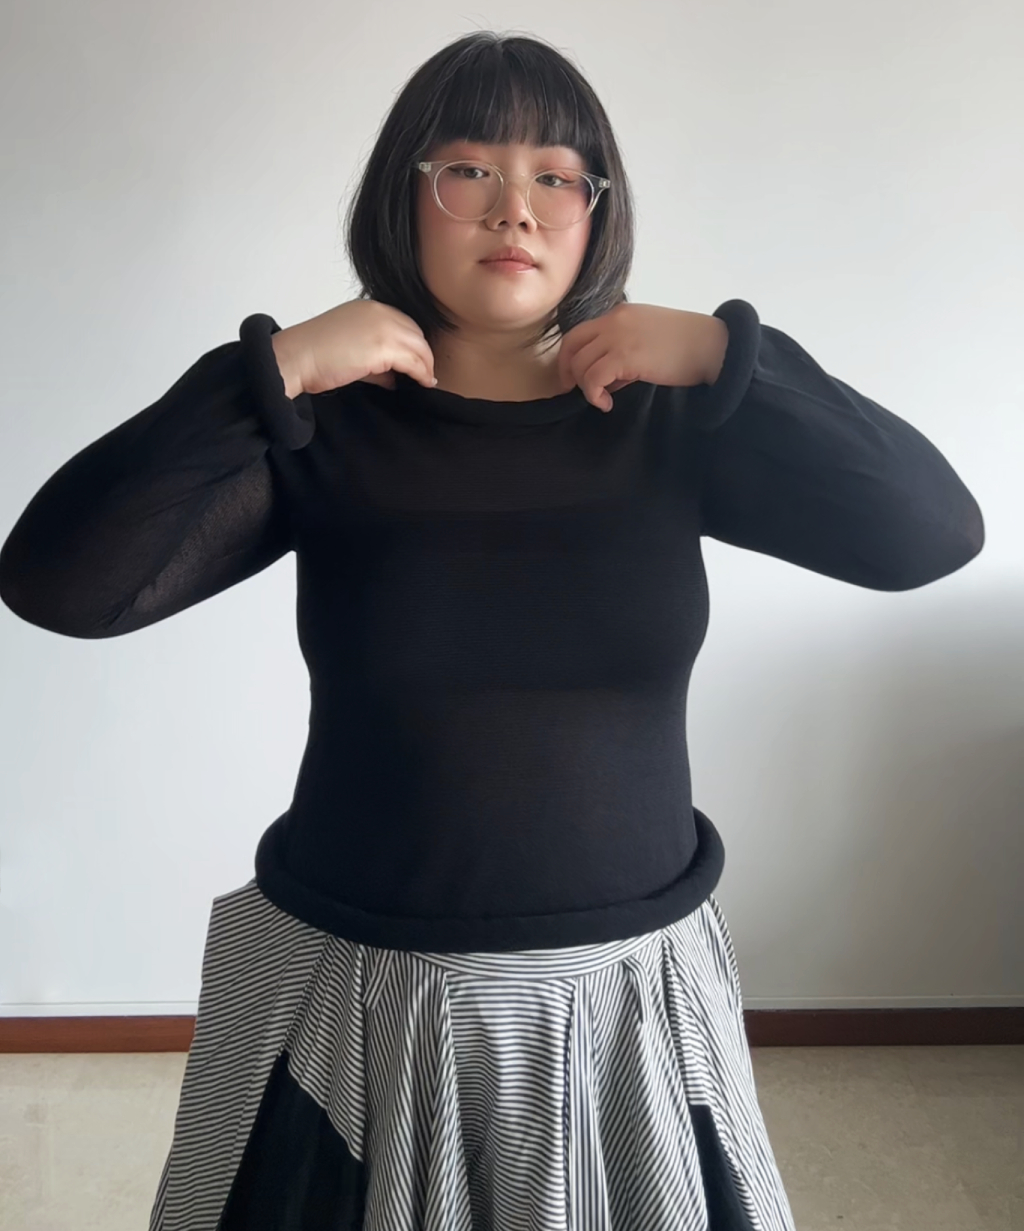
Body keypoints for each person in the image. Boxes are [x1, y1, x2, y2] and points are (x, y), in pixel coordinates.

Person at [0, 29, 984, 1231]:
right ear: (403, 195)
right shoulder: (327, 423)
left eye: (556, 177)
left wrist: (739, 356)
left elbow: (931, 536)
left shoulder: (669, 419)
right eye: (469, 169)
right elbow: (62, 585)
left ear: (596, 212)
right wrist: (268, 371)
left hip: (629, 994)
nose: (515, 208)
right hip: (357, 991)